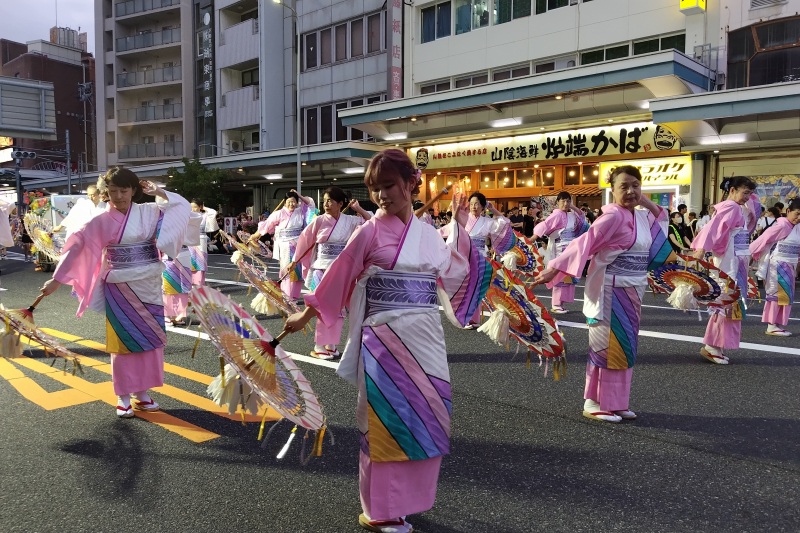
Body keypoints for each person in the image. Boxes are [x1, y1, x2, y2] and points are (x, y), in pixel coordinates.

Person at [283, 149, 489, 533]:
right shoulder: (369, 231)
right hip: (384, 338)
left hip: (426, 336)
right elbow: (339, 278)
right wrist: (306, 313)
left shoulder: (428, 233)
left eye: (389, 186)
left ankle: (407, 502)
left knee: (427, 414)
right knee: (385, 418)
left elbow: (452, 271)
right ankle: (380, 508)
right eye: (375, 189)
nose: (382, 196)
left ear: (411, 184)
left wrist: (460, 230)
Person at [39, 168, 191, 418]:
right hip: (120, 286)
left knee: (150, 340)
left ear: (134, 190)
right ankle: (123, 395)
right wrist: (56, 280)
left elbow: (182, 208)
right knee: (123, 340)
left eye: (124, 190)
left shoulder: (150, 210)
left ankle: (142, 392)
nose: (118, 196)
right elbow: (77, 246)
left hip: (150, 283)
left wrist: (160, 192)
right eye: (112, 192)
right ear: (105, 193)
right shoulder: (99, 221)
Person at [534, 166, 670, 423]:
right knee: (606, 345)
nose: (630, 191)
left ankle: (616, 402)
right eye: (624, 186)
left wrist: (644, 200)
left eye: (635, 186)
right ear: (612, 190)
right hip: (610, 289)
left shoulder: (639, 216)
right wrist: (554, 268)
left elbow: (661, 218)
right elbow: (584, 243)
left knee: (625, 345)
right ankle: (594, 400)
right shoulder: (613, 217)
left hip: (632, 288)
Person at [289, 186, 371, 360]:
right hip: (321, 268)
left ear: (340, 204)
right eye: (324, 200)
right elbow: (305, 241)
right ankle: (319, 345)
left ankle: (331, 345)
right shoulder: (319, 220)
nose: (326, 204)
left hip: (340, 270)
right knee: (322, 306)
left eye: (330, 201)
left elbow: (371, 222)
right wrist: (295, 260)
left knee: (338, 308)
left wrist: (359, 209)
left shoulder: (350, 220)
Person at [691, 176, 760, 364]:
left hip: (735, 262)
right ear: (732, 190)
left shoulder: (736, 208)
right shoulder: (731, 207)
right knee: (726, 302)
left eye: (750, 193)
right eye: (745, 192)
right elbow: (711, 228)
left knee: (729, 303)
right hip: (730, 263)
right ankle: (712, 347)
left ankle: (715, 346)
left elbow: (754, 204)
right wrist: (700, 250)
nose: (748, 197)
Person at [439, 191, 512, 328]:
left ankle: (474, 319)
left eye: (477, 204)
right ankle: (464, 318)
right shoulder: (463, 218)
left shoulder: (487, 222)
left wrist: (493, 209)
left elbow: (505, 223)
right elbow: (448, 229)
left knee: (477, 289)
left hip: (479, 258)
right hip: (464, 258)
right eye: (471, 204)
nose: (473, 207)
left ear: (483, 206)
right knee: (466, 288)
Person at [249, 190, 316, 300]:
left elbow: (310, 204)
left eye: (294, 201)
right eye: (289, 202)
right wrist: (255, 236)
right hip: (285, 246)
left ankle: (293, 295)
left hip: (298, 245)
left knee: (297, 271)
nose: (291, 204)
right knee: (288, 271)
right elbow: (266, 225)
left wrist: (298, 194)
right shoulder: (278, 213)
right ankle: (287, 295)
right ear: (284, 202)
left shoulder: (301, 211)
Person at [750, 198, 800, 336]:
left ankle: (775, 324)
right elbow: (764, 238)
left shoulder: (794, 227)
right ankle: (772, 325)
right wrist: (750, 253)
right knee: (778, 294)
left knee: (784, 295)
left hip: (789, 263)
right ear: (788, 211)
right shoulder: (782, 226)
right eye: (797, 213)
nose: (799, 218)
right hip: (779, 263)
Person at [532, 192, 588, 314]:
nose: (565, 203)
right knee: (558, 277)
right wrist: (533, 238)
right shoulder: (556, 215)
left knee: (568, 277)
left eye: (568, 201)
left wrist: (572, 207)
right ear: (557, 202)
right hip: (559, 249)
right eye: (563, 201)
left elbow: (582, 217)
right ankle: (556, 304)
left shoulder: (572, 215)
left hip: (571, 249)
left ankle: (561, 303)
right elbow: (544, 225)